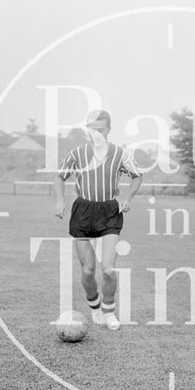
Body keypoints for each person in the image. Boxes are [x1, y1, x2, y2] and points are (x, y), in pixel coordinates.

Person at [54, 110, 143, 330]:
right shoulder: (77, 153)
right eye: (92, 129)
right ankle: (94, 308)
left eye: (101, 130)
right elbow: (59, 176)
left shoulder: (120, 154)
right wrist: (59, 200)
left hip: (109, 212)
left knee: (108, 270)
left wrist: (127, 198)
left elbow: (137, 176)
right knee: (87, 270)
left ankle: (109, 311)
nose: (97, 134)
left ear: (108, 130)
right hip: (83, 211)